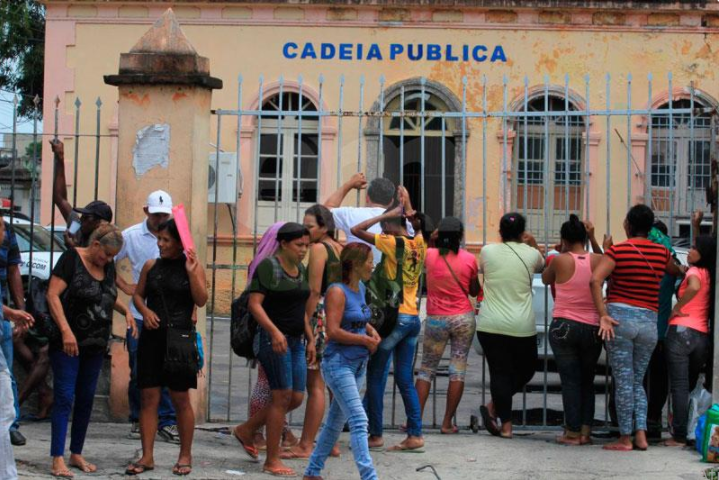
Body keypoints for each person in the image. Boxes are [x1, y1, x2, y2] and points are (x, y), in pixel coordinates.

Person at [590, 204, 685, 451]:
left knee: (623, 381)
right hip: (649, 323)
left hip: (620, 320)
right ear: (651, 227)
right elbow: (677, 271)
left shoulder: (619, 251)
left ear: (628, 225)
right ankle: (641, 435)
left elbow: (595, 279)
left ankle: (625, 437)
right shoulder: (661, 253)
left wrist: (603, 315)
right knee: (637, 381)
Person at [46, 224, 137, 478]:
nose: (108, 260)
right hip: (68, 344)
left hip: (95, 346)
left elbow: (105, 295)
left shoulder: (106, 267)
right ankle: (57, 458)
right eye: (106, 254)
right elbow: (52, 295)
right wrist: (65, 331)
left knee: (86, 398)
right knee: (64, 397)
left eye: (112, 257)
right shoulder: (71, 259)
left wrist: (125, 311)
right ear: (95, 245)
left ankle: (76, 452)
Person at [125, 219, 207, 476]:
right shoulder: (151, 266)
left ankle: (185, 455)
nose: (159, 244)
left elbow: (202, 300)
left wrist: (193, 273)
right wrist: (145, 311)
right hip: (152, 337)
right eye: (159, 239)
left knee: (181, 399)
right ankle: (147, 456)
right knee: (148, 397)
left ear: (180, 244)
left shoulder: (192, 267)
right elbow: (137, 295)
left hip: (180, 337)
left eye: (166, 240)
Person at [232, 223, 314, 478]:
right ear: (284, 243)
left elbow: (299, 310)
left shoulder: (300, 269)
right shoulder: (268, 267)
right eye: (299, 245)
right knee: (281, 397)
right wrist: (274, 331)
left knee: (297, 397)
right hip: (272, 340)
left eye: (306, 245)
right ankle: (272, 459)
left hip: (296, 341)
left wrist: (310, 338)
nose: (303, 250)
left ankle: (246, 429)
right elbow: (255, 305)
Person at [351, 200, 426, 452]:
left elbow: (356, 231)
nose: (382, 233)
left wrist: (386, 217)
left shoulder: (392, 243)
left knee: (376, 376)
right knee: (405, 378)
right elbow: (417, 226)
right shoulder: (419, 244)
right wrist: (407, 211)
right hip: (414, 318)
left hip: (395, 318)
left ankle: (375, 434)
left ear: (389, 226)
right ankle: (415, 434)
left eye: (384, 227)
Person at [304, 243, 381, 480]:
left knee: (335, 423)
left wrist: (370, 331)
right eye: (369, 261)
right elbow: (333, 331)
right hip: (339, 364)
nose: (372, 265)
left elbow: (358, 316)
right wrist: (364, 341)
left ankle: (312, 472)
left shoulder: (360, 288)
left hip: (358, 365)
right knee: (359, 419)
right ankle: (369, 476)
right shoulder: (337, 291)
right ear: (356, 264)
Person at [114, 190, 180, 443]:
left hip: (169, 313)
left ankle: (166, 420)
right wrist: (125, 285)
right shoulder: (130, 236)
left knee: (167, 368)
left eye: (165, 214)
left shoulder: (176, 236)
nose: (161, 218)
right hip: (139, 315)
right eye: (156, 215)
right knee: (139, 369)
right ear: (146, 212)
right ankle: (136, 417)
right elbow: (107, 261)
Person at [476, 212, 543, 439]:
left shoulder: (487, 251)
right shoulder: (532, 254)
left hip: (490, 324)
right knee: (527, 369)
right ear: (523, 233)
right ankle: (500, 416)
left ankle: (502, 419)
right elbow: (542, 265)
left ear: (500, 232)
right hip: (521, 325)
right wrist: (532, 242)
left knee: (499, 374)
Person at [285, 205, 343, 459]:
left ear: (324, 227)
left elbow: (314, 291)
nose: (305, 231)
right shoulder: (340, 248)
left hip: (320, 316)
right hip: (337, 316)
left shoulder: (320, 249)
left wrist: (304, 322)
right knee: (331, 386)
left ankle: (306, 444)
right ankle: (331, 441)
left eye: (310, 226)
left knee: (315, 384)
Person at [541, 215, 602, 446]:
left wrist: (559, 253)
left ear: (564, 238)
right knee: (588, 380)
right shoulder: (597, 260)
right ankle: (586, 432)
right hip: (593, 326)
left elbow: (547, 280)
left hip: (564, 325)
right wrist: (594, 239)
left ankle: (572, 432)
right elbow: (607, 260)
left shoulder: (558, 260)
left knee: (570, 381)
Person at [415, 217, 480, 434]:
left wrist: (432, 238)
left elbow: (423, 249)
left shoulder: (429, 255)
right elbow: (473, 290)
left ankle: (415, 422)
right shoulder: (470, 259)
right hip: (462, 318)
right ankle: (446, 423)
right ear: (460, 237)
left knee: (426, 371)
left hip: (436, 319)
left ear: (438, 235)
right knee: (457, 371)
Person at [664, 234, 716, 447]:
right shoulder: (710, 273)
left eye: (694, 248)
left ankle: (678, 435)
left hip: (681, 332)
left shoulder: (694, 272)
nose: (691, 251)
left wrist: (677, 307)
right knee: (690, 384)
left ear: (702, 254)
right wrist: (696, 225)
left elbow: (693, 287)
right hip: (701, 336)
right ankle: (689, 429)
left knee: (679, 384)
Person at [0, 219, 33, 480]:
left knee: (6, 403)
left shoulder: (8, 231)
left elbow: (13, 270)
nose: (2, 234)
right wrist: (12, 312)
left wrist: (17, 310)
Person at [324, 173, 413, 266]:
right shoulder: (401, 222)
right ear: (391, 202)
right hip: (387, 277)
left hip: (356, 275)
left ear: (367, 198)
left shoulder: (350, 214)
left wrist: (349, 184)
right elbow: (414, 241)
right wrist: (406, 203)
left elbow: (323, 214)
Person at [49, 139, 113, 248]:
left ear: (100, 224)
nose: (81, 219)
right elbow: (60, 199)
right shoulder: (79, 228)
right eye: (83, 216)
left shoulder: (107, 243)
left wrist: (74, 249)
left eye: (87, 217)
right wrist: (60, 158)